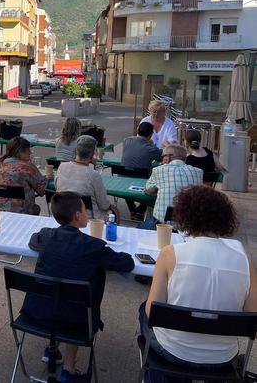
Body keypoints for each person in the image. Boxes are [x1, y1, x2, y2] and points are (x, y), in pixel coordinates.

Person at [141, 186, 256, 377]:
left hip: (173, 352)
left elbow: (152, 311)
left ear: (184, 216)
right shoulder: (244, 258)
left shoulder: (170, 253)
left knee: (143, 310)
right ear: (226, 218)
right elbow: (253, 315)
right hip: (222, 358)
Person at [23, 192, 134, 382]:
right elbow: (126, 263)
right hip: (77, 320)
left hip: (36, 314)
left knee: (60, 290)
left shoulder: (47, 235)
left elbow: (33, 240)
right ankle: (69, 369)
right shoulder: (92, 246)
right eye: (84, 209)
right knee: (74, 301)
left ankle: (52, 349)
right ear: (77, 215)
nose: (87, 213)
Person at [55, 135, 120, 221]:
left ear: (75, 151)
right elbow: (104, 205)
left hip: (64, 214)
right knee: (115, 212)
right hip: (87, 219)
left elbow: (57, 188)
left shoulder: (62, 167)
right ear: (92, 155)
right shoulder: (93, 175)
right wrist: (112, 206)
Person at [143, 143, 203, 228]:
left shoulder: (159, 170)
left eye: (162, 157)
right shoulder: (199, 172)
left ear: (168, 157)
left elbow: (148, 190)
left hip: (163, 226)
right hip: (190, 225)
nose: (161, 160)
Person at [0, 136, 48, 215]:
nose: (30, 152)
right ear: (21, 151)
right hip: (19, 211)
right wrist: (48, 177)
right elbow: (42, 191)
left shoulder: (1, 164)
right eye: (28, 150)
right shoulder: (27, 167)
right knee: (36, 208)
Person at [122, 122, 162, 221]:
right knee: (153, 184)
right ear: (151, 135)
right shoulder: (150, 148)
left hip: (123, 176)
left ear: (137, 130)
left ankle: (132, 209)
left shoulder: (126, 141)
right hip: (143, 177)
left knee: (128, 179)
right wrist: (152, 145)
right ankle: (140, 211)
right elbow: (160, 157)